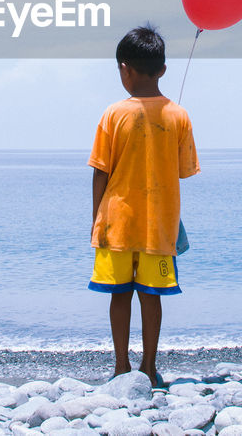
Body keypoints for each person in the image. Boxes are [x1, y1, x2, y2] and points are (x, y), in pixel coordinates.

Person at [88, 24, 199, 386]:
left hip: (116, 222)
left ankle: (121, 366)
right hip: (159, 225)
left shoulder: (112, 114)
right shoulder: (179, 115)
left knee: (119, 296)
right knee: (152, 297)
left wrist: (96, 220)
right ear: (163, 70)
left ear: (124, 68)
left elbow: (100, 173)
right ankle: (148, 368)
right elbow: (184, 172)